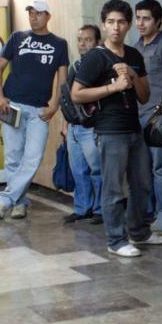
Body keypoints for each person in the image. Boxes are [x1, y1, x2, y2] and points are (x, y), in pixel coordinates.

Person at [72, 0, 153, 258]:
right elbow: (76, 94)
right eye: (110, 22)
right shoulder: (96, 56)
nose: (116, 27)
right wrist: (113, 87)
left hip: (134, 128)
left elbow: (144, 96)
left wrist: (131, 73)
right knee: (114, 188)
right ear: (104, 24)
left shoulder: (134, 55)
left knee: (142, 183)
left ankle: (139, 232)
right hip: (110, 130)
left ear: (128, 25)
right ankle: (116, 240)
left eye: (121, 22)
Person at [0, 0, 69, 219]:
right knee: (13, 156)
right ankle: (18, 202)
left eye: (38, 13)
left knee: (33, 157)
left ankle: (6, 198)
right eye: (31, 13)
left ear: (48, 16)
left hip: (39, 110)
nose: (33, 17)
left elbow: (62, 79)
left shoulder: (59, 43)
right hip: (12, 105)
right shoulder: (17, 37)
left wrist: (55, 105)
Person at [134, 0, 162, 244]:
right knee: (143, 170)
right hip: (138, 116)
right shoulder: (136, 46)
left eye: (146, 18)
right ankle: (148, 216)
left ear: (158, 21)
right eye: (138, 18)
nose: (140, 23)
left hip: (158, 119)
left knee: (161, 170)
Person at [62, 24, 104, 225]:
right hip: (73, 126)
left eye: (88, 39)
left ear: (97, 42)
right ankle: (82, 208)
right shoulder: (76, 67)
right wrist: (65, 124)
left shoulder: (101, 65)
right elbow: (69, 98)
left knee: (97, 170)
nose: (83, 43)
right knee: (78, 170)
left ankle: (100, 209)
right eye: (80, 39)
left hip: (91, 126)